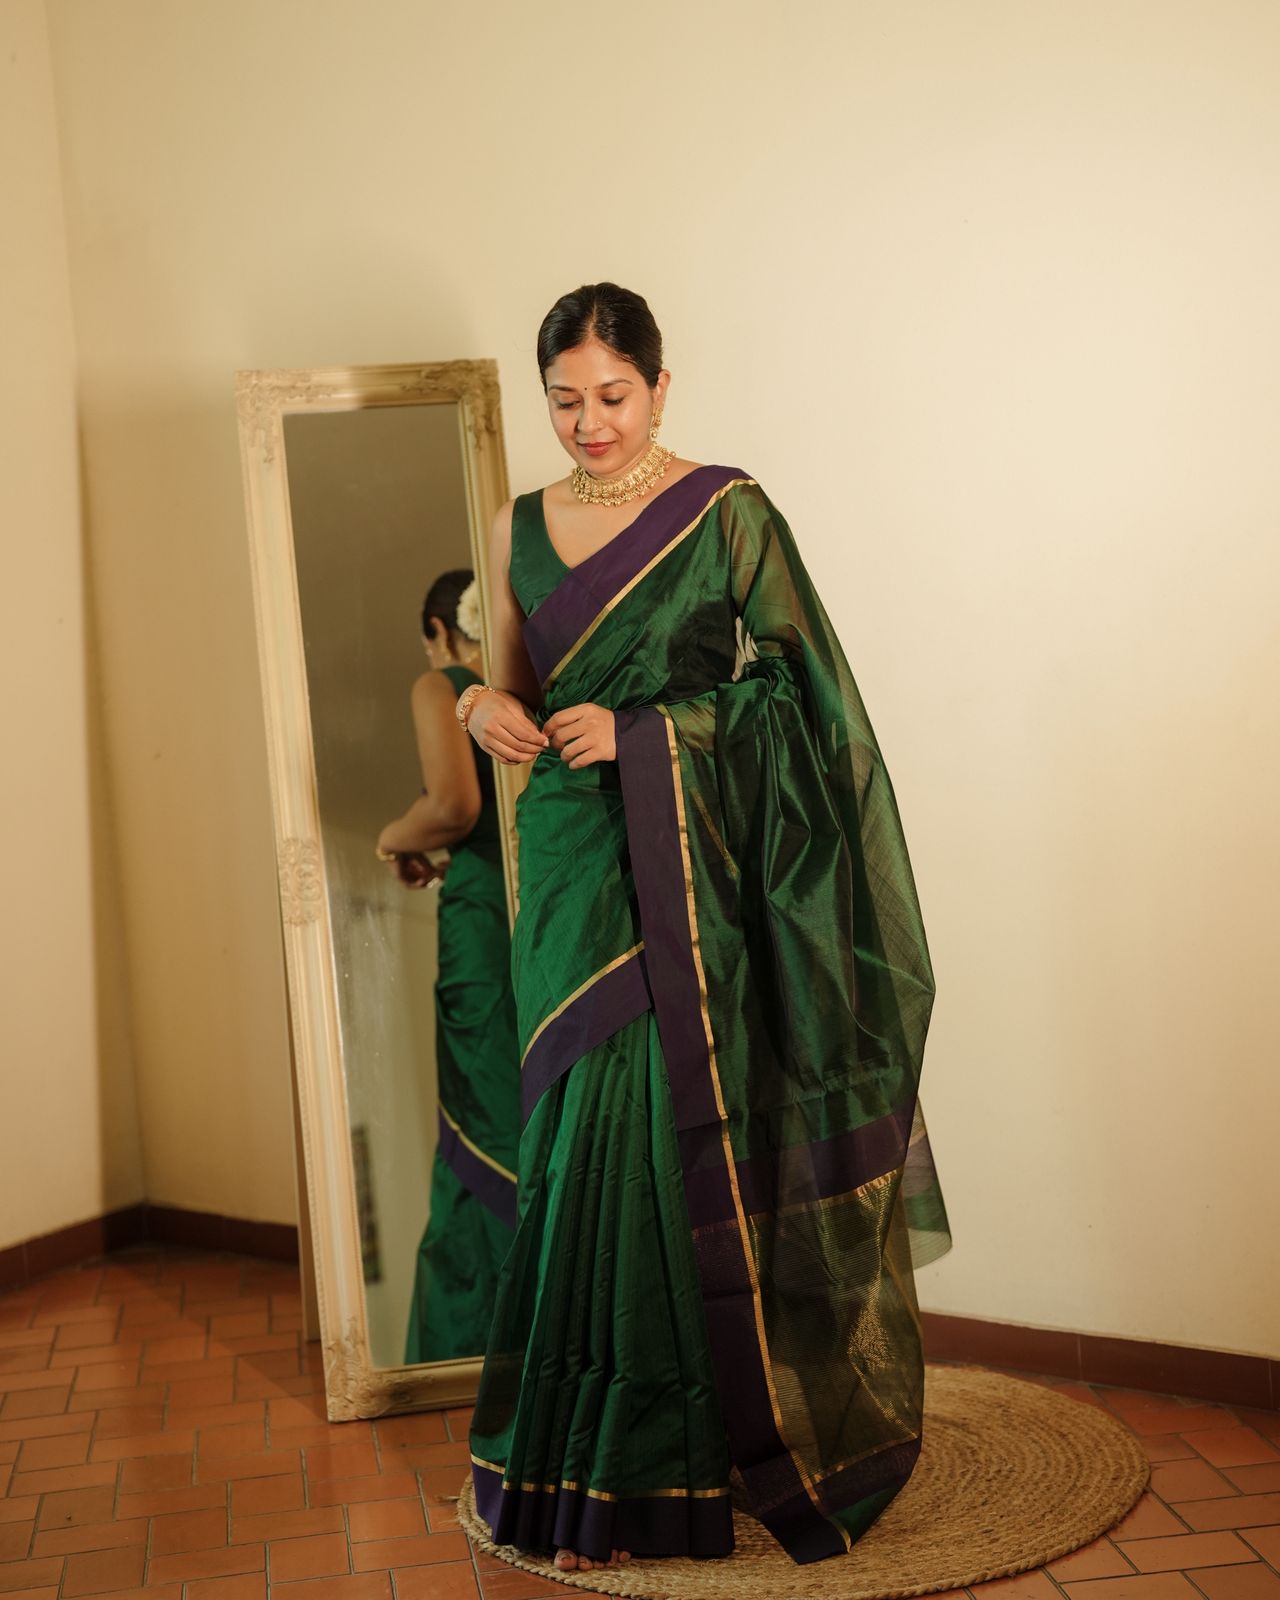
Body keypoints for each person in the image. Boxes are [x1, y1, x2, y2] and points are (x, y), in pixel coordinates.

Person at [459, 283, 952, 1573]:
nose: (589, 424)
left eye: (612, 396)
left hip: (681, 858)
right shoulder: (515, 525)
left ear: (660, 387)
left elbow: (802, 690)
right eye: (564, 401)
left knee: (647, 1130)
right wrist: (477, 710)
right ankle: (568, 1456)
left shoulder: (726, 510)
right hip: (569, 863)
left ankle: (646, 1468)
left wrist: (648, 731)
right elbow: (511, 685)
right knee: (572, 1140)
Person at [377, 570, 521, 1364]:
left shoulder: (443, 685)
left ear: (438, 630)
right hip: (540, 901)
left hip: (482, 920)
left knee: (480, 1113)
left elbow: (454, 806)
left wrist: (393, 837)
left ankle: (480, 1341)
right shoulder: (530, 686)